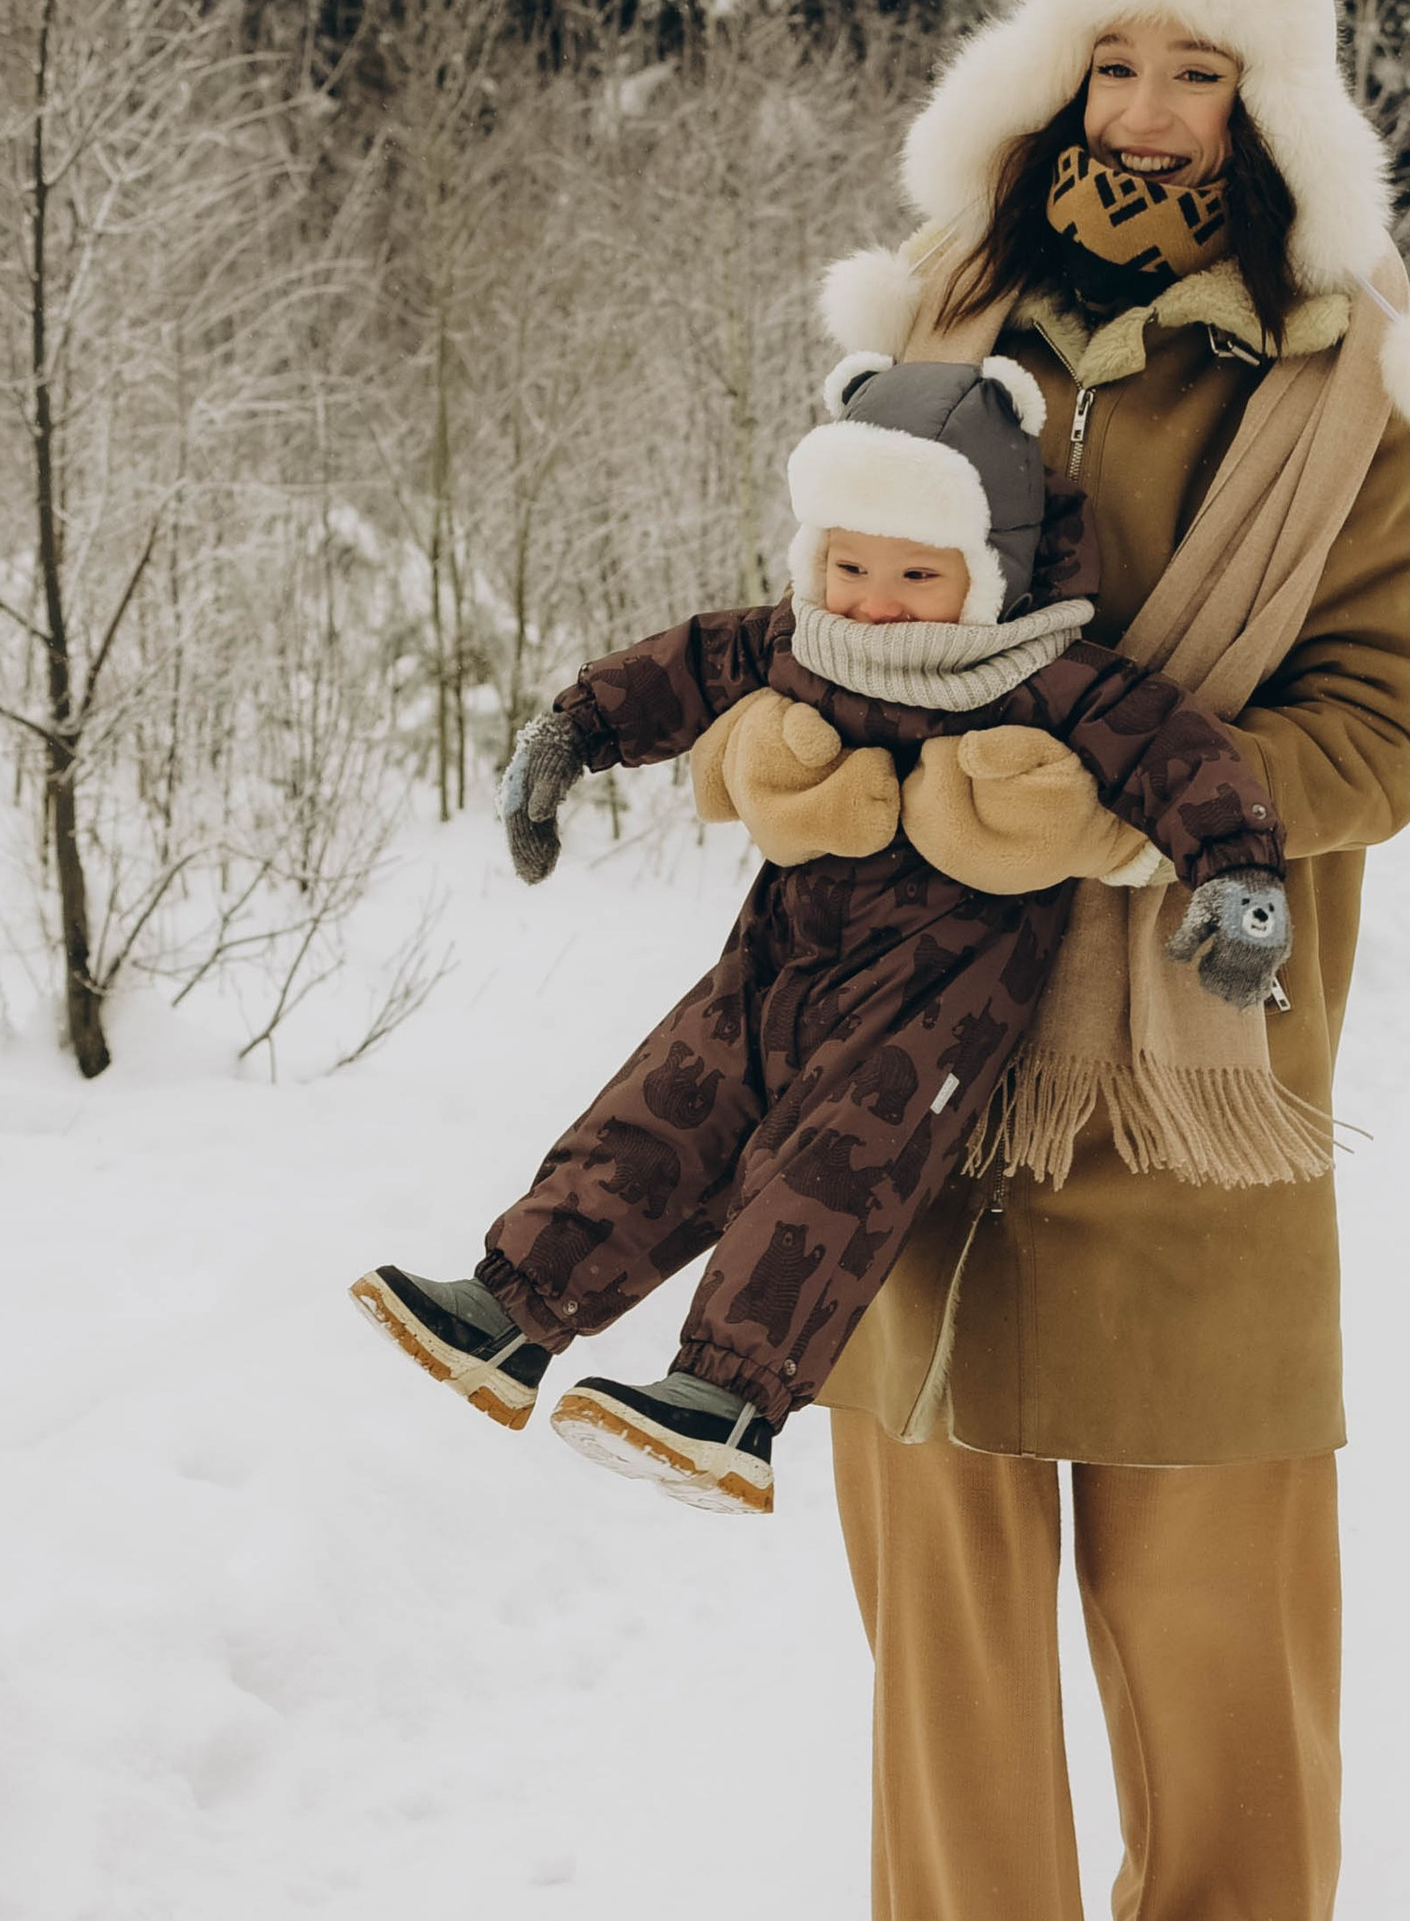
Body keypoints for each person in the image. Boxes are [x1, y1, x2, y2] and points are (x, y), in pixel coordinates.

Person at [806, 0, 1410, 1921]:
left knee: (1217, 1586)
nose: (1147, 103)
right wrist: (783, 757)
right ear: (1046, 69)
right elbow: (828, 618)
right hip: (906, 1032)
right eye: (1113, 54)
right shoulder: (920, 323)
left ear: (1270, 104)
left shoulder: (1344, 384)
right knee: (947, 1594)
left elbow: (1388, 716)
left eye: (1201, 66)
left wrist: (1141, 804)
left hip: (1200, 1038)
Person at [352, 357, 1291, 1513]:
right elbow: (683, 667)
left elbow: (1175, 754)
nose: (873, 602)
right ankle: (513, 1309)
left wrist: (1238, 877)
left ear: (990, 570)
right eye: (849, 567)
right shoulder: (798, 642)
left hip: (936, 997)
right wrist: (567, 738)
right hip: (777, 954)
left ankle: (728, 1399)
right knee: (664, 1105)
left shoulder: (1043, 677)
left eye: (915, 574)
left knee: (835, 1168)